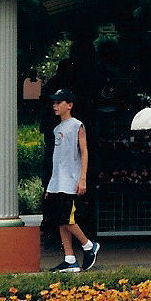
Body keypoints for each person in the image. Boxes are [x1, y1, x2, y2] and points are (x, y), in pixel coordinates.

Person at [44, 88, 100, 272]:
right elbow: (57, 159)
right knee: (61, 220)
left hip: (70, 181)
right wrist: (51, 185)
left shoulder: (77, 125)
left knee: (68, 218)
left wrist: (82, 178)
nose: (55, 105)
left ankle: (89, 245)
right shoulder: (56, 129)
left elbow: (84, 151)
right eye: (54, 102)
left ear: (69, 105)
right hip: (57, 182)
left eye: (59, 102)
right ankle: (70, 259)